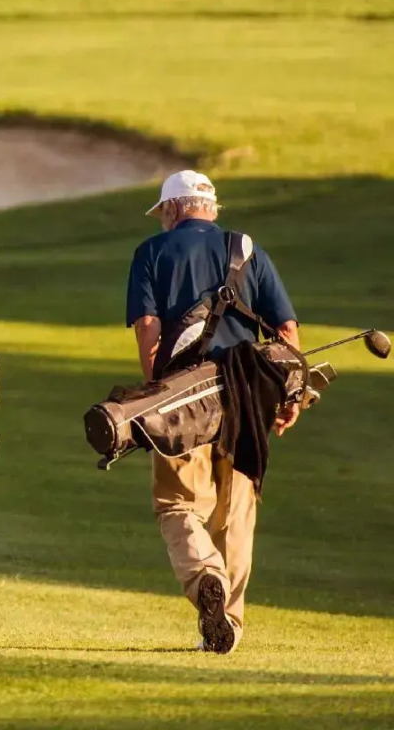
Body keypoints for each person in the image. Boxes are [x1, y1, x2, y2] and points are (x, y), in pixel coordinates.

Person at [126, 169, 301, 654]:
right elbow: (286, 331)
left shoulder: (151, 252)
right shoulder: (246, 248)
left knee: (177, 504)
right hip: (247, 396)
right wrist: (291, 396)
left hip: (182, 400)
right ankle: (226, 629)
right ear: (210, 207)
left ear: (172, 208)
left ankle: (206, 579)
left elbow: (147, 327)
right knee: (236, 514)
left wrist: (152, 390)